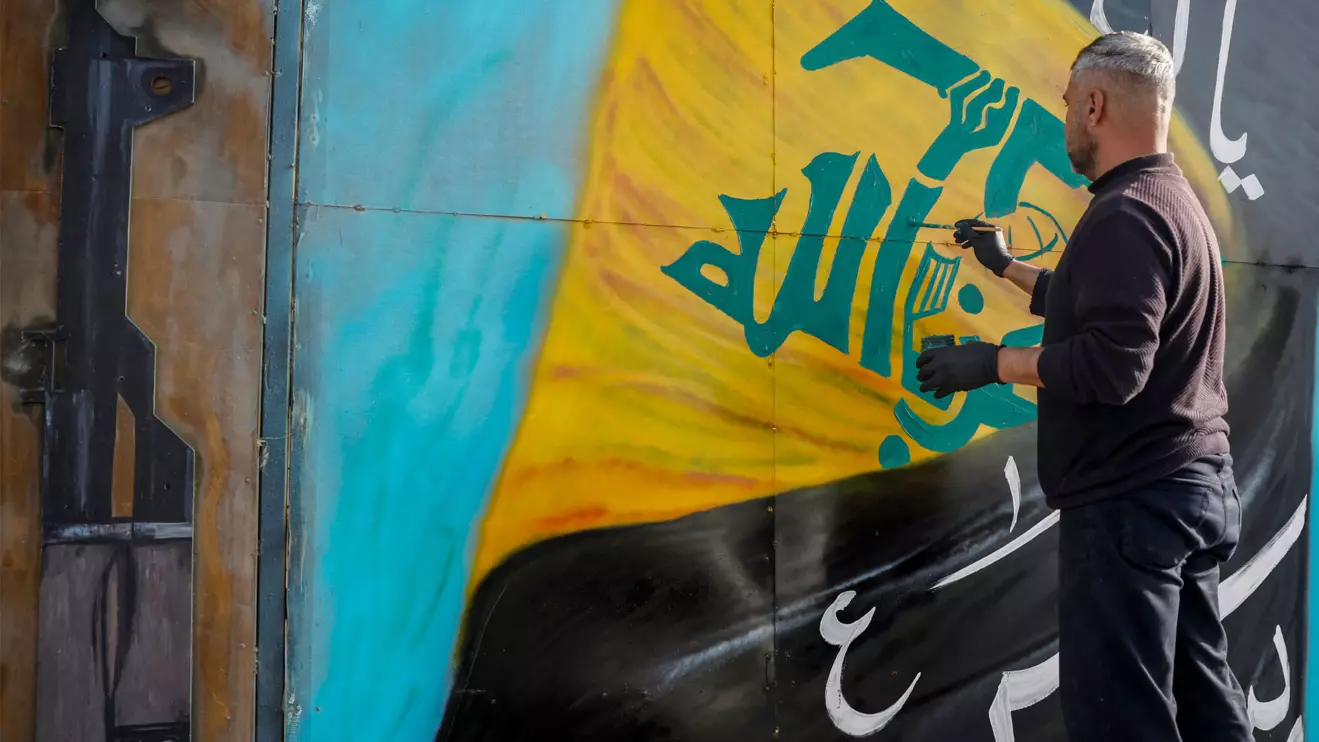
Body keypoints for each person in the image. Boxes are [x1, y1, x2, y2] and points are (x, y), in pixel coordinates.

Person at [913, 31, 1250, 742]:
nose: (1065, 118)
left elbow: (1111, 364)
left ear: (1093, 105)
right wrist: (1005, 269)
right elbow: (1107, 306)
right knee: (1202, 700)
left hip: (1133, 504)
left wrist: (992, 362)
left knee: (1121, 718)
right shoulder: (1167, 201)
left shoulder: (1125, 215)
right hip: (1184, 494)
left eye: (1068, 103)